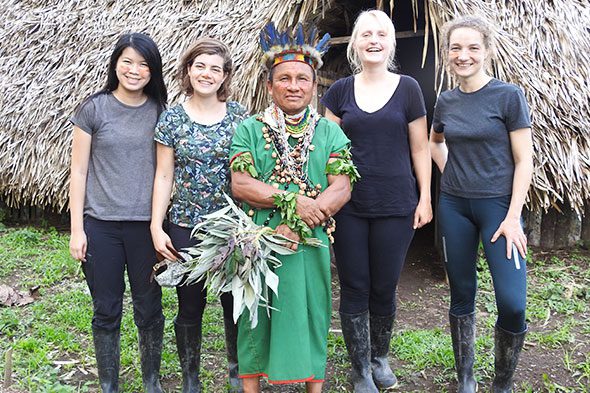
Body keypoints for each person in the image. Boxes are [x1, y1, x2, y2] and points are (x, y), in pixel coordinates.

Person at [229, 22, 357, 393]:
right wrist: (291, 200)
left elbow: (342, 186)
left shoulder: (330, 133)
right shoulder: (250, 130)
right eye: (284, 78)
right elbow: (242, 184)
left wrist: (299, 223)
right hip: (260, 239)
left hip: (310, 242)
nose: (294, 86)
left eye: (303, 78)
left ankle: (312, 388)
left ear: (314, 86)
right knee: (256, 316)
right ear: (270, 86)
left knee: (312, 312)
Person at [320, 10, 432, 392]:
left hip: (396, 202)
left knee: (384, 285)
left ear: (391, 43)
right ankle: (360, 369)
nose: (374, 40)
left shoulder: (409, 90)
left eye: (381, 34)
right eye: (366, 34)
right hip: (348, 206)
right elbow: (326, 154)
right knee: (354, 284)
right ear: (355, 43)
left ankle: (379, 358)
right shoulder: (338, 92)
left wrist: (425, 198)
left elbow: (420, 148)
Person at [429, 15, 533, 393]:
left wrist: (513, 218)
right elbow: (435, 142)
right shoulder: (446, 100)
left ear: (486, 51)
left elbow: (524, 160)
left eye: (473, 47)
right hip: (454, 207)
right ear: (447, 54)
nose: (463, 55)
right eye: (456, 47)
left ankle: (502, 383)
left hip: (499, 210)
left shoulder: (508, 96)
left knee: (513, 302)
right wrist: (450, 170)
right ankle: (466, 379)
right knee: (461, 292)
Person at [69, 32, 168, 393]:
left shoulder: (160, 112)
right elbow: (78, 172)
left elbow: (164, 172)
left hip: (145, 228)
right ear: (115, 64)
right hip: (100, 227)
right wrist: (77, 229)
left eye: (143, 64)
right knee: (106, 308)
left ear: (152, 71)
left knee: (148, 307)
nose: (134, 70)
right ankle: (109, 384)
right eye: (127, 61)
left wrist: (159, 226)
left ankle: (151, 381)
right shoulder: (93, 109)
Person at [150, 38, 248, 393]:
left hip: (231, 228)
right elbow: (164, 175)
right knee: (189, 306)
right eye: (200, 66)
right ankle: (191, 378)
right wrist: (156, 226)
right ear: (188, 71)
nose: (207, 74)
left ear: (225, 76)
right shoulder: (172, 118)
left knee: (234, 302)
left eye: (215, 69)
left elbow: (249, 172)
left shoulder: (239, 116)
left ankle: (237, 375)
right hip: (186, 225)